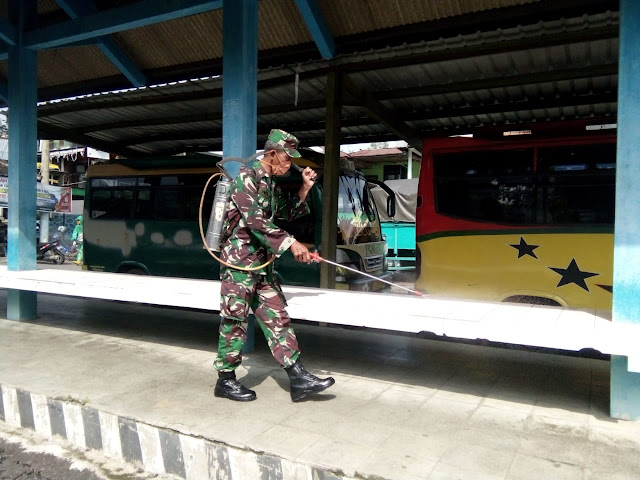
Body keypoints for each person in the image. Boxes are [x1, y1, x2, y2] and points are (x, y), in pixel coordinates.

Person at [214, 129, 335, 402]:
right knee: (235, 321)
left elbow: (286, 212)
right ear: (271, 153)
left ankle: (298, 377)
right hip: (240, 266)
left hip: (261, 265)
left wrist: (304, 188)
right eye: (287, 159)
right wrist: (292, 244)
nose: (289, 165)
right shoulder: (247, 178)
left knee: (277, 317)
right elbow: (256, 222)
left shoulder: (268, 182)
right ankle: (225, 380)